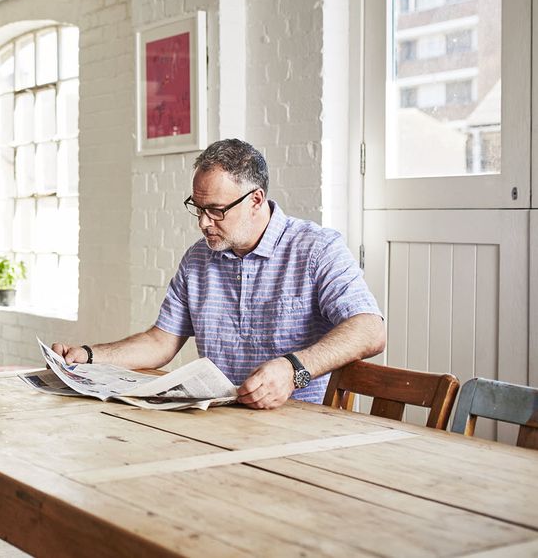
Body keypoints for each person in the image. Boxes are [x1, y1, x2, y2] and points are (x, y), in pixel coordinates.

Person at [53, 138, 385, 409]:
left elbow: (371, 330)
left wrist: (293, 369)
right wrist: (90, 356)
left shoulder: (316, 249)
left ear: (256, 200)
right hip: (219, 423)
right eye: (198, 209)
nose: (203, 223)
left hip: (303, 425)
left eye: (216, 210)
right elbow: (161, 341)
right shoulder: (199, 258)